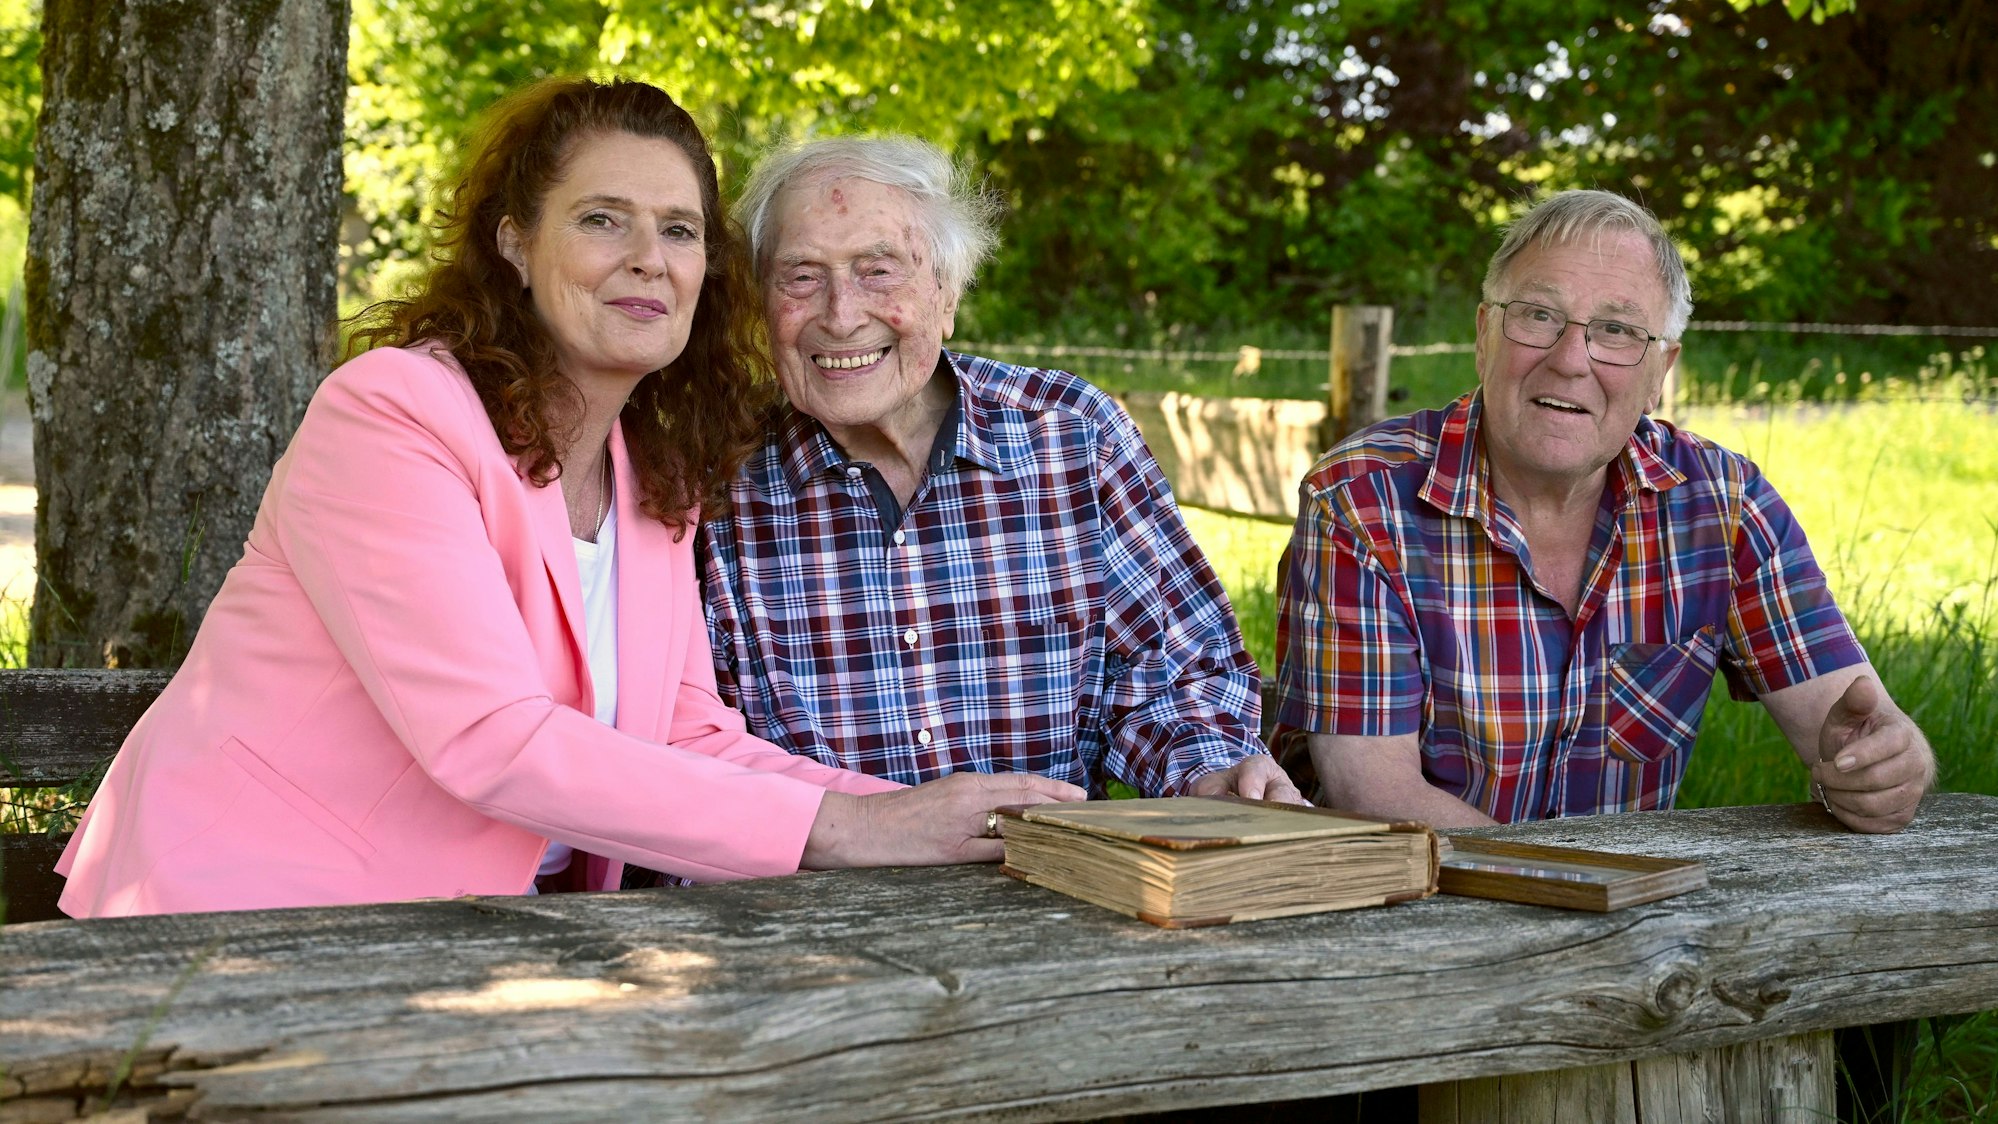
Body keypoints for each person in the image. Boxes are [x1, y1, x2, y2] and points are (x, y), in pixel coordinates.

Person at [55, 79, 1080, 918]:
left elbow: (687, 737)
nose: (649, 257)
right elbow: (492, 738)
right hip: (240, 922)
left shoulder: (651, 471)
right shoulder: (392, 414)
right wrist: (853, 831)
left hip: (483, 943)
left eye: (679, 230)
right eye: (603, 220)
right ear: (515, 244)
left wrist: (928, 815)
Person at [1275, 189, 1934, 832]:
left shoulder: (1723, 505)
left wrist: (1888, 768)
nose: (1569, 361)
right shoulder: (1362, 501)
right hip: (1408, 914)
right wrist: (1579, 893)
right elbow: (1371, 794)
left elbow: (1851, 725)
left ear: (1660, 372)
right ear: (1484, 334)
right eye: (1538, 316)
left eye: (1616, 331)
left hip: (1631, 921)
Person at [700, 135, 1300, 802]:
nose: (841, 315)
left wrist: (1212, 772)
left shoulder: (1072, 436)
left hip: (1048, 889)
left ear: (946, 293)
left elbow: (1177, 675)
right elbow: (695, 754)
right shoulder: (712, 484)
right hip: (807, 900)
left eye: (879, 271)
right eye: (802, 275)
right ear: (760, 307)